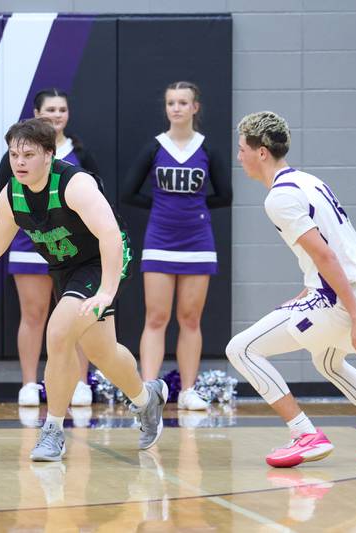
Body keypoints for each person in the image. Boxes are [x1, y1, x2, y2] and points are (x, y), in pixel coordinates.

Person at [0, 118, 167, 462]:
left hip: (103, 260)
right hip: (66, 268)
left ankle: (52, 431)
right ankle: (146, 399)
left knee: (59, 332)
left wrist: (107, 290)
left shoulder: (74, 184)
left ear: (49, 154)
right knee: (102, 353)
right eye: (14, 154)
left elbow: (109, 234)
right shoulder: (12, 194)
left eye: (28, 155)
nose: (19, 162)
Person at [228, 110, 356, 467]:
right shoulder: (308, 181)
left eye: (242, 148)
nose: (238, 156)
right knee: (329, 362)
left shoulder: (278, 199)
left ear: (261, 153)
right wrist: (310, 292)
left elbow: (326, 255)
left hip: (339, 297)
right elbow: (330, 251)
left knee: (241, 349)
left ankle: (304, 434)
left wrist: (353, 316)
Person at [123, 81, 232, 411]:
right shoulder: (155, 147)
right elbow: (128, 192)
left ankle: (188, 391)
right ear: (166, 107)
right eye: (171, 102)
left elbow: (226, 195)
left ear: (195, 107)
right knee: (156, 317)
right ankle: (147, 393)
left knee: (190, 318)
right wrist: (163, 208)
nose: (177, 108)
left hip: (198, 242)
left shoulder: (207, 148)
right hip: (160, 241)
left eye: (183, 102)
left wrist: (194, 208)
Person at [0, 89, 100, 408]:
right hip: (31, 242)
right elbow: (7, 197)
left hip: (72, 247)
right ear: (36, 113)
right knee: (34, 314)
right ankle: (29, 383)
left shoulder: (78, 153)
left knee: (75, 318)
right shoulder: (18, 155)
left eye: (62, 109)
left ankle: (81, 382)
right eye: (50, 109)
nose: (56, 115)